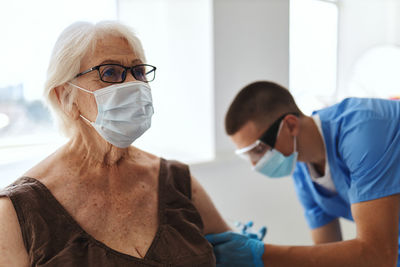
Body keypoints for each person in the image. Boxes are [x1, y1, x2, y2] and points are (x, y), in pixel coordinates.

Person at [0, 21, 231, 266]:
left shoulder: (177, 181)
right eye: (110, 72)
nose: (133, 84)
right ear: (66, 96)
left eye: (139, 71)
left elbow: (239, 250)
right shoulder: (18, 213)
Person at [206, 81, 400, 266]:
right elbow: (327, 255)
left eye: (258, 150)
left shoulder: (363, 132)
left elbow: (378, 256)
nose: (255, 165)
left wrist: (263, 254)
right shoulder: (302, 171)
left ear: (290, 125)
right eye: (247, 156)